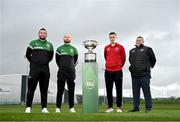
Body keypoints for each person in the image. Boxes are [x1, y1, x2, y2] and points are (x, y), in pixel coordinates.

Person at [25, 28, 54, 113]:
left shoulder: (50, 45)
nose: (42, 34)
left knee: (44, 89)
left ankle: (44, 108)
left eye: (44, 33)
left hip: (45, 69)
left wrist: (44, 62)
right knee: (31, 88)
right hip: (34, 69)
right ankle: (28, 107)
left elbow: (51, 57)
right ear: (39, 34)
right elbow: (27, 54)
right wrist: (34, 62)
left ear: (46, 35)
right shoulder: (33, 43)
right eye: (41, 33)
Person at [128, 36, 156, 113]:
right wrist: (131, 69)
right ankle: (136, 108)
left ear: (143, 41)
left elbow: (153, 59)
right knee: (135, 92)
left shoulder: (148, 49)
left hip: (144, 75)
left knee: (146, 91)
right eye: (137, 40)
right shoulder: (132, 51)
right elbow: (130, 61)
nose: (138, 41)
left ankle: (148, 108)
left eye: (140, 40)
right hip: (134, 75)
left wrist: (148, 67)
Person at [55, 34, 78, 113]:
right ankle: (58, 108)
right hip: (62, 71)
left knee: (71, 90)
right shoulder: (59, 49)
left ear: (70, 38)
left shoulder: (74, 49)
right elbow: (57, 61)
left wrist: (70, 67)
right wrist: (62, 67)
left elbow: (76, 61)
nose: (67, 38)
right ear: (63, 38)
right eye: (65, 37)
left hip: (71, 72)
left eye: (68, 37)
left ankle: (71, 107)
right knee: (60, 90)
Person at [104, 32, 126, 113]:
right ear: (109, 38)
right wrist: (110, 65)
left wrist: (118, 66)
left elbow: (123, 59)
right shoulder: (106, 47)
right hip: (108, 71)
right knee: (109, 89)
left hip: (118, 71)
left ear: (116, 37)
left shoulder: (120, 47)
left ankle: (119, 107)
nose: (112, 38)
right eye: (111, 37)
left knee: (118, 89)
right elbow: (106, 57)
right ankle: (110, 107)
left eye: (113, 37)